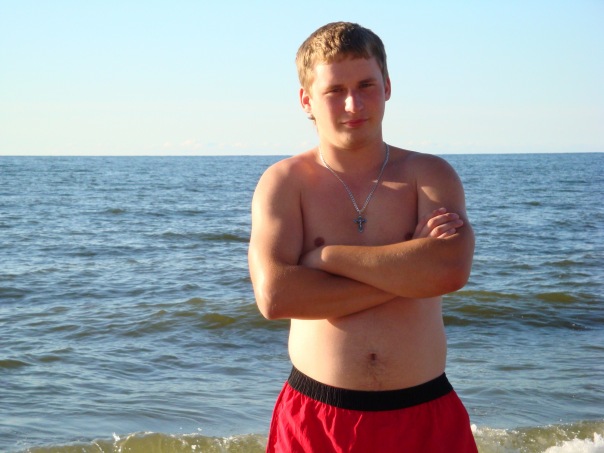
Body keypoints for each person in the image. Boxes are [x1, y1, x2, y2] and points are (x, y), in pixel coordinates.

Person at [248, 21, 477, 452]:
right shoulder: (285, 182)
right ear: (306, 100)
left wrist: (326, 258)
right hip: (317, 419)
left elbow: (449, 271)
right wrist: (409, 274)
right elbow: (276, 297)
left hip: (425, 414)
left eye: (366, 85)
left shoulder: (428, 175)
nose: (353, 104)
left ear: (387, 86)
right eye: (335, 91)